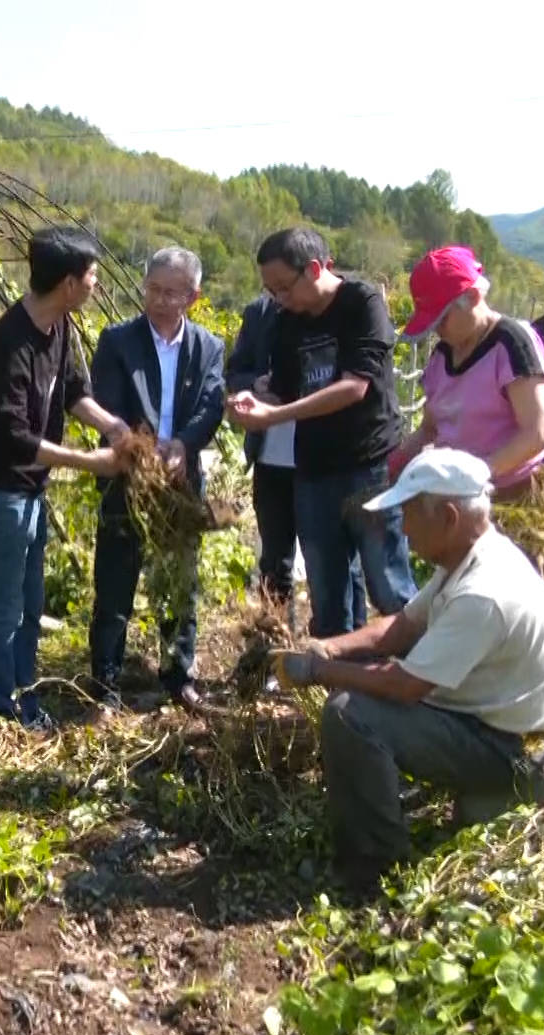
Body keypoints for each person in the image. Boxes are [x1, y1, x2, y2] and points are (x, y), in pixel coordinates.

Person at [271, 448, 544, 894]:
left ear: (448, 516)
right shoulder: (469, 559)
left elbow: (405, 686)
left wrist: (318, 672)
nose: (404, 530)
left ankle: (375, 867)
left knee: (349, 714)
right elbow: (400, 627)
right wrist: (330, 648)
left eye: (410, 514)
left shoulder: (483, 593)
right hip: (484, 723)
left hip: (504, 749)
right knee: (360, 691)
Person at [0, 225, 131, 731]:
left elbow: (74, 391)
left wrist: (112, 426)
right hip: (2, 491)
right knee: (4, 608)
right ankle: (3, 708)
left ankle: (25, 694)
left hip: (31, 491)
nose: (96, 285)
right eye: (92, 277)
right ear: (67, 283)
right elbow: (13, 436)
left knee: (31, 603)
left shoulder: (59, 328)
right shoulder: (7, 345)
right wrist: (90, 462)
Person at [229, 228, 415, 638]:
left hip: (369, 467)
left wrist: (272, 416)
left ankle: (412, 684)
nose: (278, 298)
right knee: (328, 596)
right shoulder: (285, 321)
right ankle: (343, 693)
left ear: (314, 269)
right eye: (270, 289)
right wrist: (254, 402)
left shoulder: (361, 303)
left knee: (389, 587)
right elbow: (287, 389)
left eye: (283, 287)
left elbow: (354, 387)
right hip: (313, 471)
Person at [88, 247, 228, 710]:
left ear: (193, 295)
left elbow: (211, 405)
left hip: (181, 480)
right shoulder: (117, 341)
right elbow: (106, 407)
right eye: (153, 289)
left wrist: (183, 445)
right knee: (115, 577)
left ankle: (178, 675)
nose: (161, 300)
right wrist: (141, 450)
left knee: (179, 580)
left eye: (172, 293)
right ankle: (106, 680)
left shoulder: (208, 347)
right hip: (128, 476)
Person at [392, 247, 544, 499]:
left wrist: (477, 473)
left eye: (442, 320)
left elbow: (538, 433)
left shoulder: (511, 343)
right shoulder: (442, 356)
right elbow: (429, 429)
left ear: (472, 297)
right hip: (460, 495)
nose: (438, 331)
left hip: (512, 493)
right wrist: (395, 464)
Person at [224, 292, 300, 620]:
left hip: (322, 459)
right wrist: (256, 383)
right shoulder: (259, 311)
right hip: (270, 455)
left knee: (332, 559)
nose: (278, 292)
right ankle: (276, 643)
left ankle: (335, 655)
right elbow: (235, 371)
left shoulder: (331, 313)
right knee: (274, 558)